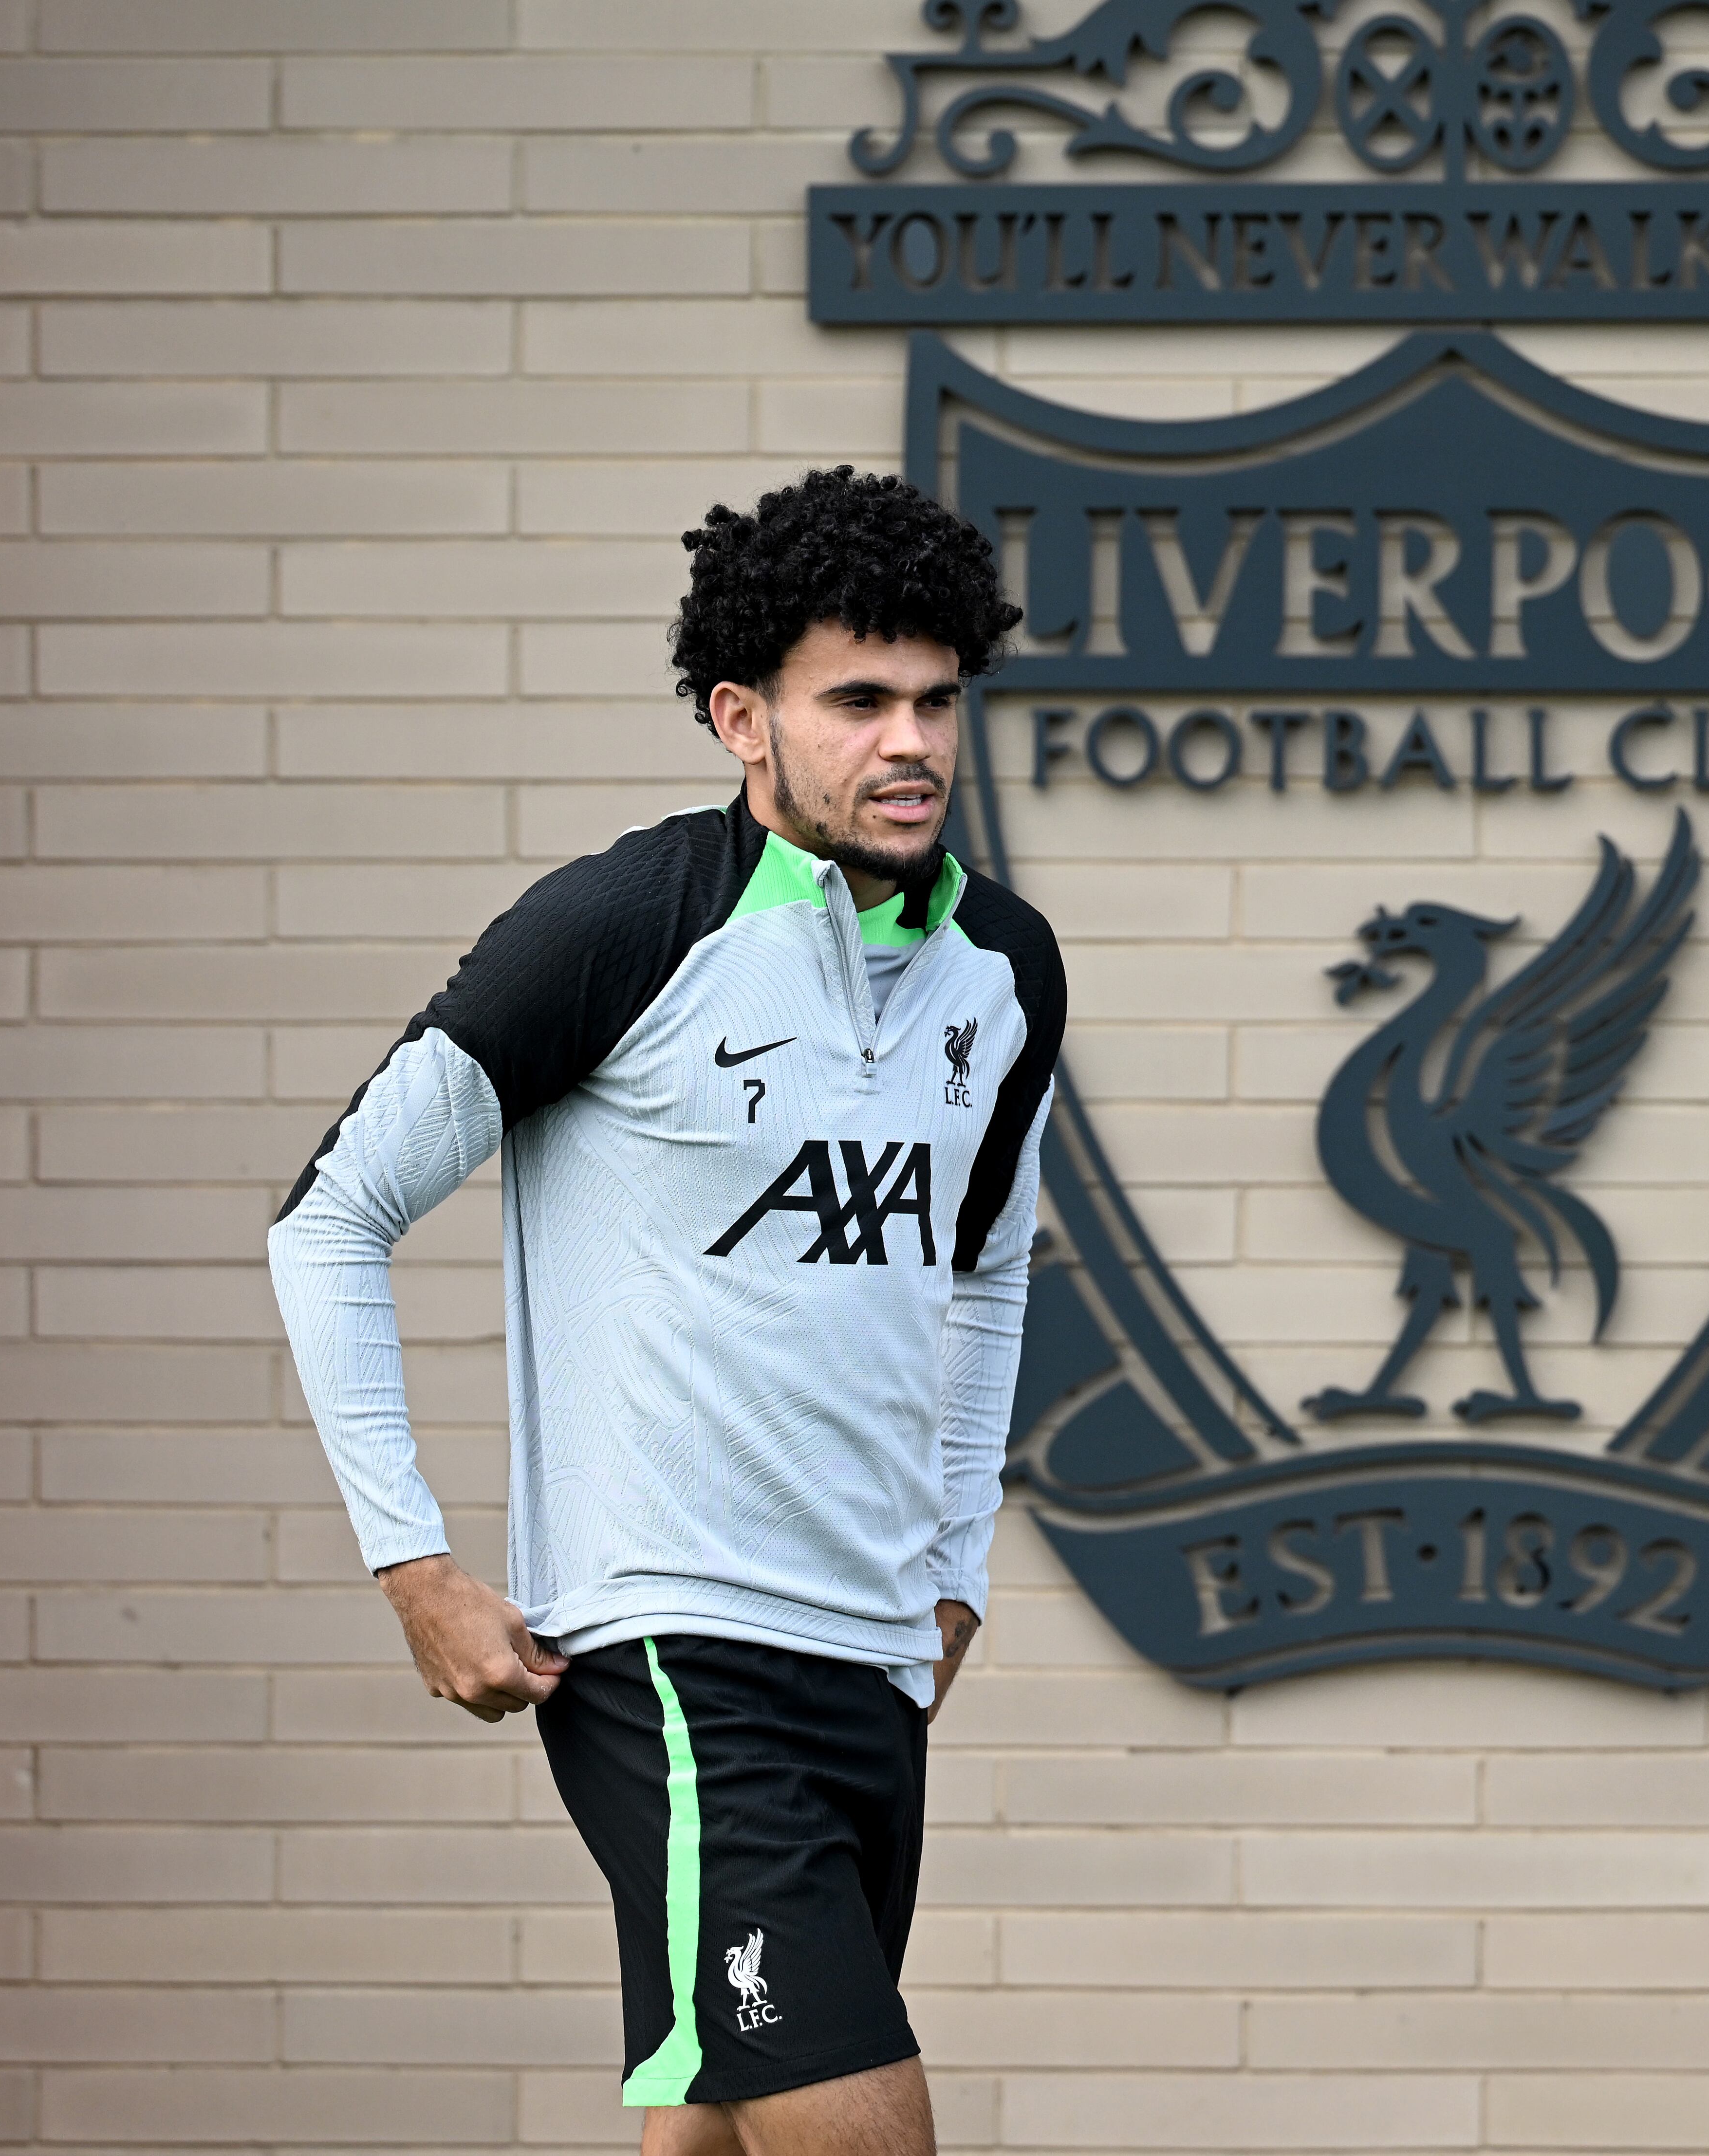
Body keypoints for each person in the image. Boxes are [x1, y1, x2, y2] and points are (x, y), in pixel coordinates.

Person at [269, 468, 1063, 2156]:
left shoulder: (1007, 967)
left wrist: (951, 1567)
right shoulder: (628, 926)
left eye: (936, 700)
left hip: (870, 1656)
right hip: (675, 1652)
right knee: (862, 2134)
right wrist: (412, 1564)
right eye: (856, 701)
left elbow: (986, 1271)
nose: (908, 741)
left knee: (712, 2129)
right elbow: (332, 1217)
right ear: (740, 721)